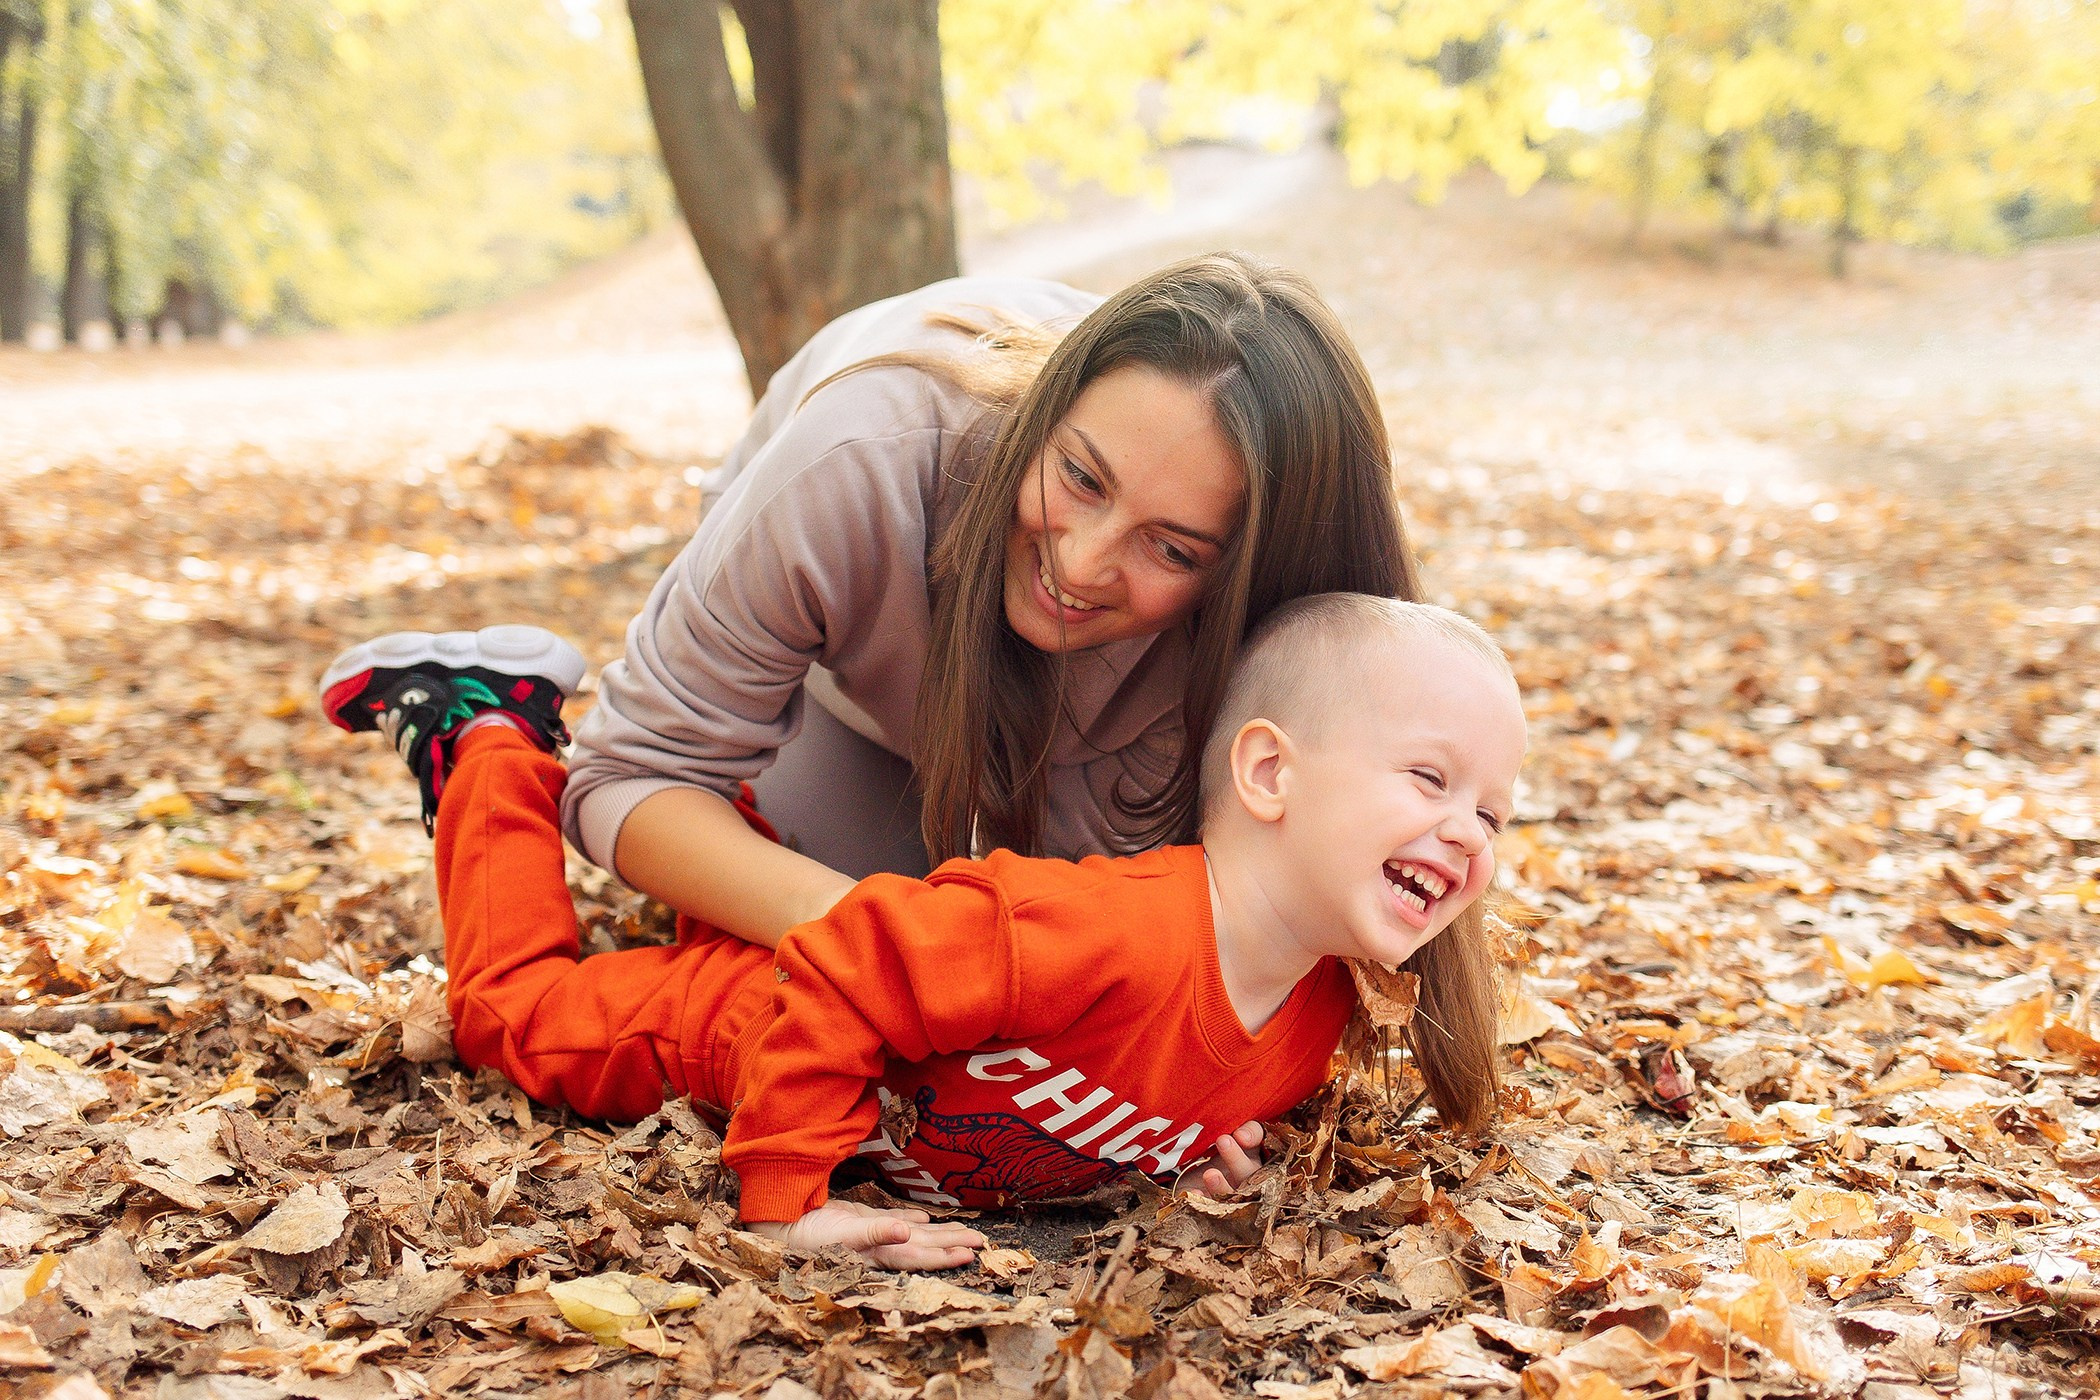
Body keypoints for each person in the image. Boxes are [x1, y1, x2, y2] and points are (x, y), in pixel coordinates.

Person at [317, 594, 1525, 1270]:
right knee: (508, 1014)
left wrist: (1185, 1152)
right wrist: (785, 1193)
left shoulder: (1316, 1019)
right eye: (1429, 779)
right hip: (761, 1025)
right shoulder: (1099, 928)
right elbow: (848, 958)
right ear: (1268, 772)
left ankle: (693, 806)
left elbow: (1129, 1076)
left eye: (1492, 812)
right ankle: (488, 730)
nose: (1467, 832)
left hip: (893, 1023)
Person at [562, 252, 1420, 956]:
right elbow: (627, 776)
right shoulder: (855, 461)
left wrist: (1202, 1079)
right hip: (849, 682)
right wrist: (892, 941)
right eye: (1081, 478)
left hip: (1126, 711)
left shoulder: (1281, 608)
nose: (1080, 565)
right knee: (844, 938)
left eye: (1172, 547)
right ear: (1043, 417)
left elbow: (1278, 910)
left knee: (1091, 952)